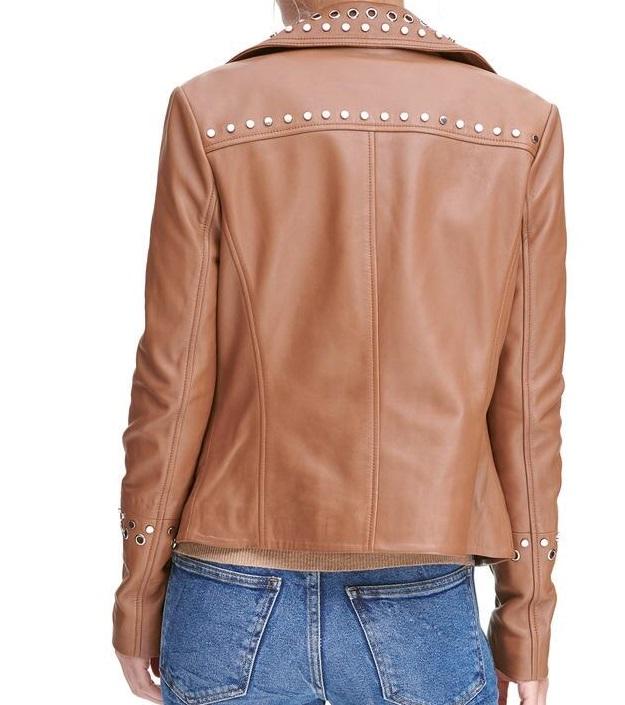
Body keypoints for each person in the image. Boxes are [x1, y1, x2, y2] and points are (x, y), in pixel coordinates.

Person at [113, 2, 566, 704]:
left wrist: (139, 595)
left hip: (228, 589)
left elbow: (170, 382)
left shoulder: (212, 110)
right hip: (422, 586)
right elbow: (528, 400)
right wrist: (526, 620)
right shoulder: (517, 123)